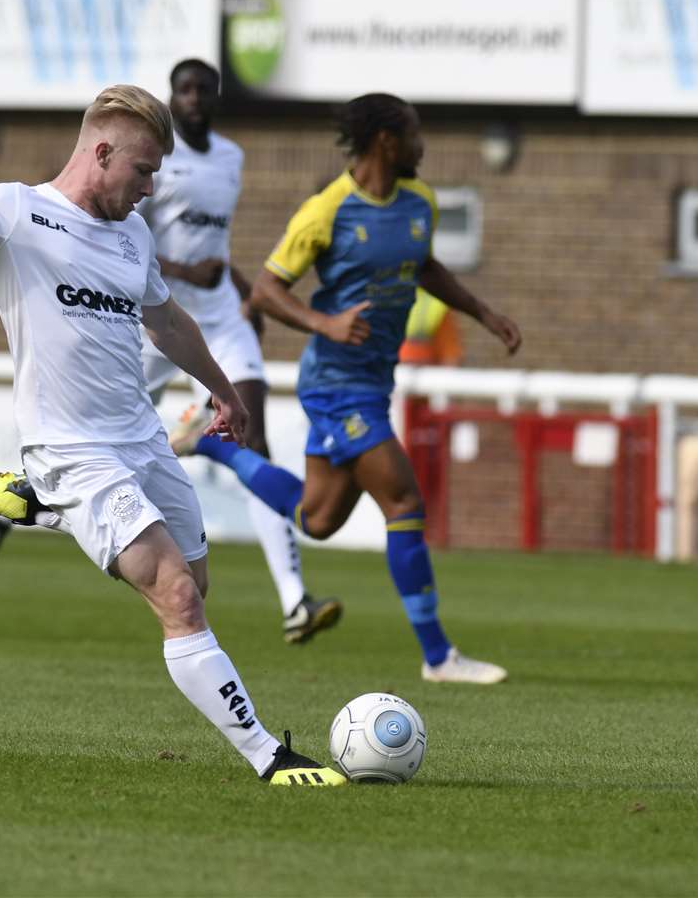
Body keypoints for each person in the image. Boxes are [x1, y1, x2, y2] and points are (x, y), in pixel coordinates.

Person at [0, 86, 343, 784]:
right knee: (177, 597)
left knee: (196, 582)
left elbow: (165, 323)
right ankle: (270, 755)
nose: (152, 187)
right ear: (100, 152)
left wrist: (222, 389)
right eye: (143, 170)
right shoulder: (15, 214)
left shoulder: (134, 234)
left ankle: (45, 507)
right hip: (71, 448)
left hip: (142, 442)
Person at [0, 58, 342, 647]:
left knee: (251, 435)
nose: (193, 99)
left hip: (208, 315)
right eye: (183, 90)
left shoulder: (231, 159)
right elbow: (103, 237)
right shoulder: (141, 157)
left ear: (217, 98)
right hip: (132, 317)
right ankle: (23, 504)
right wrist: (186, 270)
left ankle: (295, 599)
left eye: (203, 90)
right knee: (99, 444)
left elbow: (209, 242)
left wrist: (243, 291)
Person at [173, 92, 521, 685]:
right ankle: (438, 657)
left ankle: (211, 445)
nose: (422, 146)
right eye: (413, 133)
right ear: (386, 140)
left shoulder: (420, 202)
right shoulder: (327, 211)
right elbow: (266, 289)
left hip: (372, 383)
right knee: (405, 501)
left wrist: (483, 313)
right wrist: (324, 322)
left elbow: (423, 265)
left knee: (318, 518)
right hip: (336, 384)